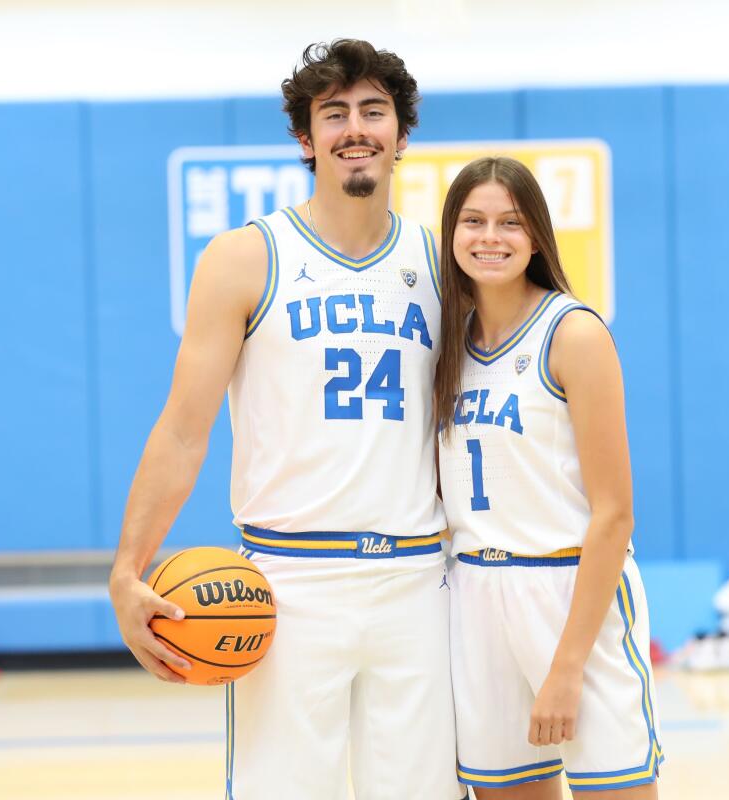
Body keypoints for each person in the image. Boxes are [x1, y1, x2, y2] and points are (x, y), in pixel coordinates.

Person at [108, 39, 462, 800]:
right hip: (291, 581)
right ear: (306, 139)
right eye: (333, 114)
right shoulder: (245, 258)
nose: (355, 127)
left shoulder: (445, 268)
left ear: (403, 134)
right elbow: (182, 427)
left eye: (374, 111)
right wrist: (127, 568)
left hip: (418, 582)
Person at [435, 157, 664, 799]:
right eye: (473, 221)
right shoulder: (446, 343)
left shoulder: (573, 333)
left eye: (511, 222)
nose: (490, 237)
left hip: (570, 593)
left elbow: (615, 513)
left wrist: (565, 666)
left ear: (536, 235)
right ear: (451, 233)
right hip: (476, 594)